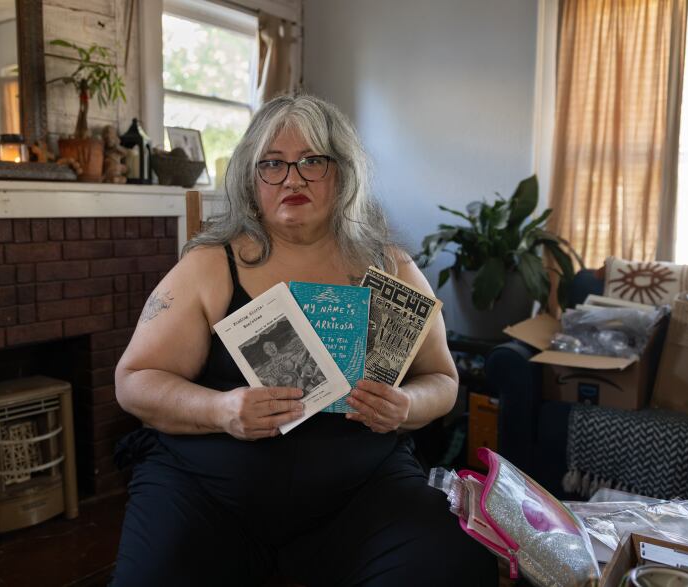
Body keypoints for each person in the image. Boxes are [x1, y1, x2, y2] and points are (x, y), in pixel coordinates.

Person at [111, 94, 497, 586]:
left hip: (362, 494)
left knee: (455, 560)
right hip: (208, 493)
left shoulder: (390, 266)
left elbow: (442, 379)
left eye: (312, 161)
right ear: (251, 180)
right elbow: (133, 381)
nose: (292, 179)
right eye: (273, 164)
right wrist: (221, 409)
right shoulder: (209, 264)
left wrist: (406, 405)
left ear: (344, 173)